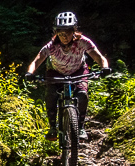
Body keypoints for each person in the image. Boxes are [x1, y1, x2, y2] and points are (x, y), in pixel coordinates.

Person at [26, 11, 108, 141]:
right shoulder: (51, 46)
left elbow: (99, 57)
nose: (64, 37)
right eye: (61, 33)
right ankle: (52, 127)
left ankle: (80, 127)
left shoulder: (83, 42)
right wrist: (30, 73)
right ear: (56, 33)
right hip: (55, 72)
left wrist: (105, 68)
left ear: (74, 31)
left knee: (82, 95)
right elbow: (36, 61)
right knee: (51, 95)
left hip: (78, 71)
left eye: (68, 33)